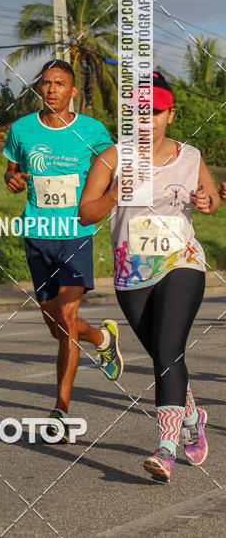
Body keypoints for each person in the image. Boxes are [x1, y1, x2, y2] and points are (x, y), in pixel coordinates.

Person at [79, 71, 220, 482]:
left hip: (182, 261)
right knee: (162, 355)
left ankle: (166, 448)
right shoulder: (112, 158)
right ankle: (193, 415)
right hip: (131, 273)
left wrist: (209, 201)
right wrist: (112, 195)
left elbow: (208, 200)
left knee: (169, 349)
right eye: (140, 112)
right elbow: (86, 213)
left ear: (170, 114)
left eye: (156, 112)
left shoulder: (190, 157)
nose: (148, 119)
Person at [3, 59, 123, 443]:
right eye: (46, 83)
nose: (52, 89)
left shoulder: (93, 130)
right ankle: (103, 339)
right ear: (40, 88)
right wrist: (14, 179)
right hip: (37, 233)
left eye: (60, 83)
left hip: (75, 232)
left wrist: (106, 198)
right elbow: (11, 168)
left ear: (73, 91)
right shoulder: (22, 129)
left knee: (68, 319)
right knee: (57, 327)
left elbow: (115, 167)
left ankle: (61, 410)